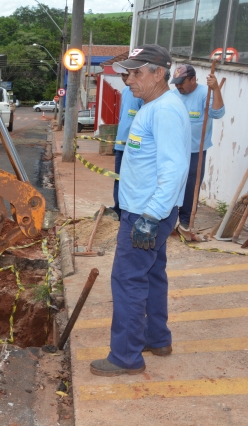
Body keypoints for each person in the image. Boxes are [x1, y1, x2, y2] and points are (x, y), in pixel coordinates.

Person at [90, 45, 191, 376]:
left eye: (136, 73)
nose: (128, 80)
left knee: (127, 281)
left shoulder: (164, 111)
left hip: (148, 215)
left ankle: (125, 356)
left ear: (158, 73)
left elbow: (174, 169)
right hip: (149, 212)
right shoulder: (153, 106)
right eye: (127, 73)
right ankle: (156, 338)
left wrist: (150, 216)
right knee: (151, 275)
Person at [171, 64, 225, 239]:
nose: (178, 86)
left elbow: (217, 113)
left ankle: (185, 221)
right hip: (174, 150)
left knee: (190, 188)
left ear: (193, 80)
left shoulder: (204, 93)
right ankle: (168, 220)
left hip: (196, 151)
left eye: (182, 82)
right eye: (176, 82)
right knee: (171, 184)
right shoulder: (172, 96)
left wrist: (216, 89)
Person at [112, 72, 144, 220]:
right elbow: (122, 117)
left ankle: (128, 210)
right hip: (120, 144)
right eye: (122, 75)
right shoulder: (125, 92)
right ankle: (118, 208)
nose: (125, 79)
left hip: (134, 147)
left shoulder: (141, 95)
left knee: (132, 180)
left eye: (127, 74)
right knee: (118, 178)